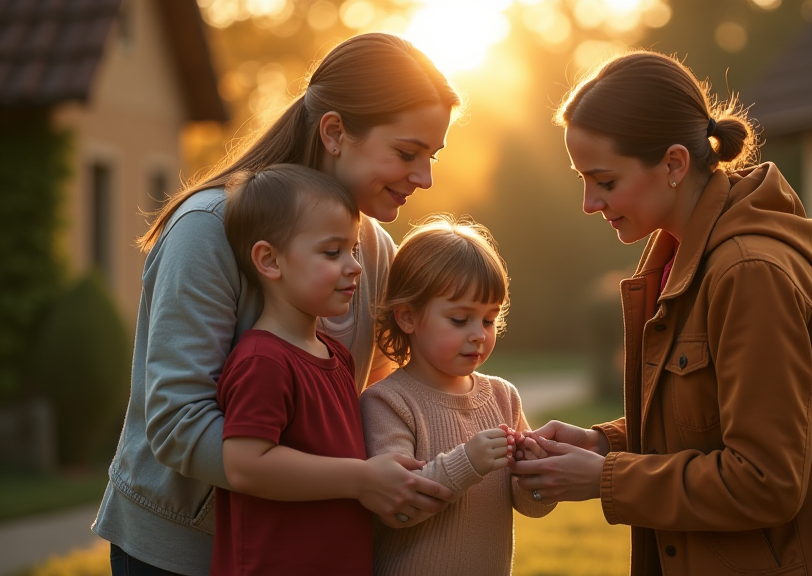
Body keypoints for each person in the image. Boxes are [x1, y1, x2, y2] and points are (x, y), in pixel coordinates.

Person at [93, 33, 462, 576]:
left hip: (305, 549)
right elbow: (177, 424)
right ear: (335, 132)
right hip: (181, 551)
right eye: (407, 153)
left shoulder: (376, 249)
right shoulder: (209, 230)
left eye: (431, 156)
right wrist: (356, 480)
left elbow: (376, 396)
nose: (425, 178)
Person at [511, 51, 812, 576]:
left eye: (604, 180)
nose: (588, 202)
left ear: (673, 164)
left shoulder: (749, 273)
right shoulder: (682, 257)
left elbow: (764, 480)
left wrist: (604, 478)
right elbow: (704, 422)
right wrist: (603, 443)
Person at [360, 214, 555, 576]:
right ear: (407, 317)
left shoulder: (503, 397)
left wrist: (537, 473)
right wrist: (469, 461)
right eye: (460, 319)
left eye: (488, 319)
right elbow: (400, 508)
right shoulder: (388, 402)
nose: (479, 334)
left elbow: (530, 507)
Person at [211, 164, 372, 575]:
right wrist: (364, 479)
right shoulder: (263, 361)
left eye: (354, 250)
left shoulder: (337, 356)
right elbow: (246, 465)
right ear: (270, 260)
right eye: (333, 252)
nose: (354, 266)